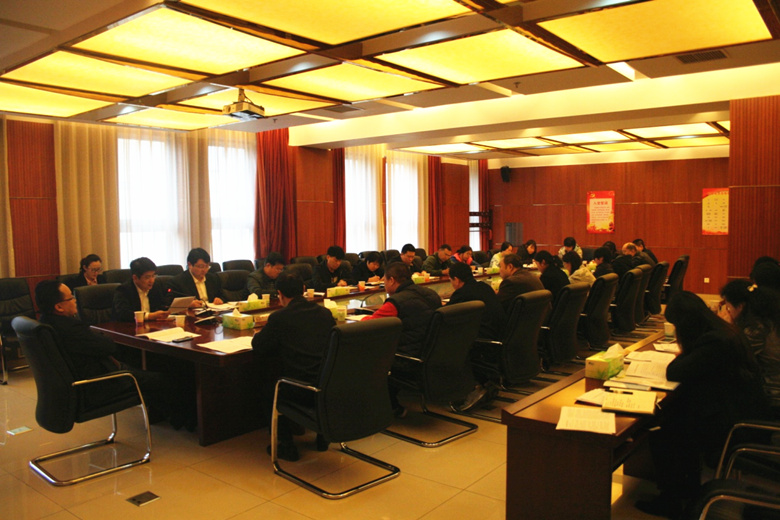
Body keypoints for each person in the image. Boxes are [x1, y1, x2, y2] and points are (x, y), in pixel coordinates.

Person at [636, 291, 769, 518]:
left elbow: (675, 371)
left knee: (665, 430)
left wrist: (686, 350)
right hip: (736, 410)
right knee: (675, 415)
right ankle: (686, 488)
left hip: (735, 425)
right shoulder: (721, 331)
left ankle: (671, 499)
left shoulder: (714, 342)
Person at [36, 280, 190, 427]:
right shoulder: (71, 329)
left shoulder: (45, 323)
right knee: (168, 378)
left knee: (153, 371)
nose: (75, 300)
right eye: (70, 298)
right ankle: (184, 421)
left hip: (82, 382)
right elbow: (108, 347)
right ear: (59, 307)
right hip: (101, 384)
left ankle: (173, 417)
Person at [251, 273, 336, 462]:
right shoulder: (324, 313)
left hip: (298, 388)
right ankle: (322, 438)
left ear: (280, 294)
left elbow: (259, 346)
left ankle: (286, 445)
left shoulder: (279, 317)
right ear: (304, 290)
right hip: (327, 382)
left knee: (269, 386)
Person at [364, 262, 442, 416]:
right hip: (432, 354)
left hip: (408, 359)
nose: (384, 284)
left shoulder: (396, 302)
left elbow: (370, 324)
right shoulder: (431, 294)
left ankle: (387, 405)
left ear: (392, 280)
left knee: (369, 353)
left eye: (385, 280)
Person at [720, 280, 780, 398]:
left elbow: (729, 356)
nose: (727, 311)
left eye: (728, 307)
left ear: (740, 306)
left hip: (771, 393)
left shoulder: (756, 329)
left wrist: (726, 327)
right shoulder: (770, 321)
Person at [448, 262, 505, 341]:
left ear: (456, 280)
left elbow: (446, 314)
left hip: (482, 339)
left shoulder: (462, 293)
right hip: (500, 334)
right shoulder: (485, 287)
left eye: (451, 280)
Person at [112, 257, 170, 322]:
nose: (152, 281)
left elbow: (160, 306)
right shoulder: (123, 290)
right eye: (147, 277)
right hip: (130, 326)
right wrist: (149, 316)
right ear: (135, 278)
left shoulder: (156, 287)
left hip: (152, 326)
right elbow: (124, 314)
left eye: (153, 276)